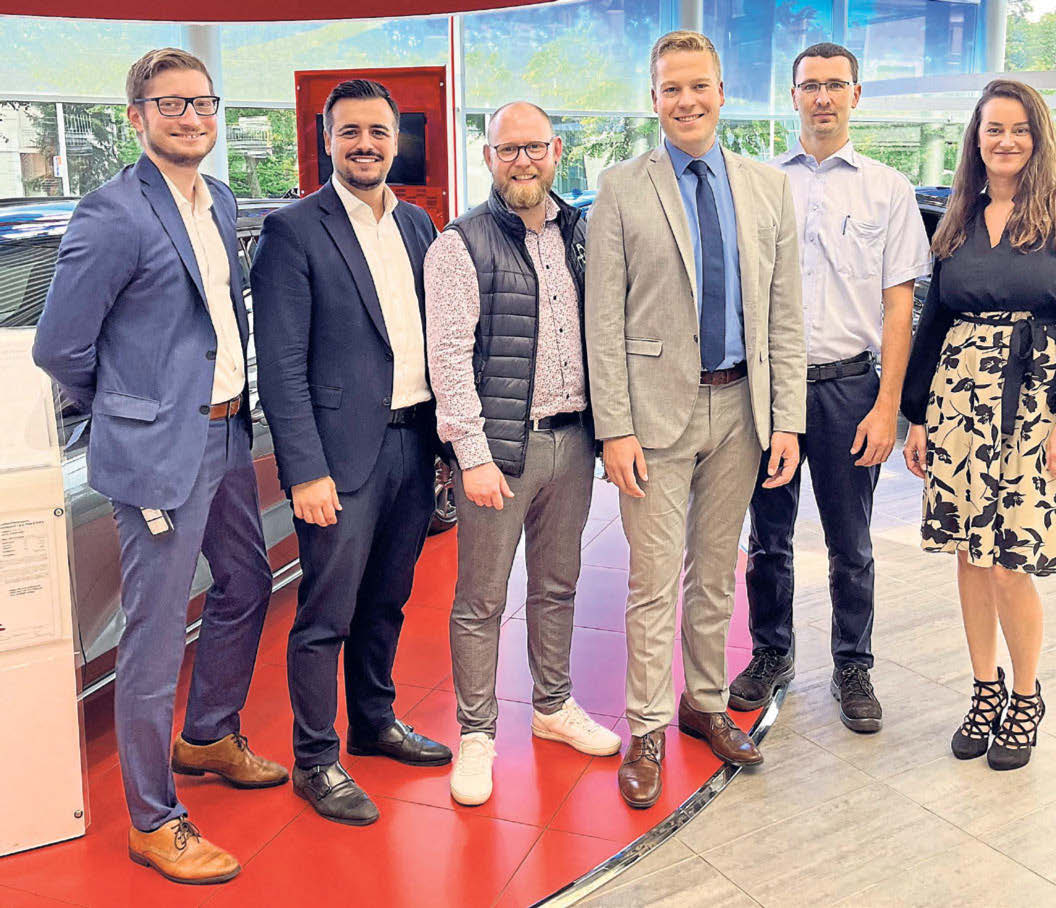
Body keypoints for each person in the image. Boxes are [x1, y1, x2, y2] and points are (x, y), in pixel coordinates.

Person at [32, 48, 286, 885]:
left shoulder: (218, 197)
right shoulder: (111, 213)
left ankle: (208, 735)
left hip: (223, 436)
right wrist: (134, 408)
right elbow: (60, 347)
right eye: (169, 105)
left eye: (202, 104)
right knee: (150, 639)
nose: (190, 118)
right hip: (157, 451)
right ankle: (154, 820)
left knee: (247, 584)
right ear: (135, 117)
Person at [586, 30, 806, 808]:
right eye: (670, 88)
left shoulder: (765, 187)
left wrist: (787, 421)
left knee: (714, 576)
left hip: (742, 411)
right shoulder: (619, 188)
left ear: (722, 94)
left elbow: (783, 312)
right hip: (651, 420)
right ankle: (645, 725)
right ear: (653, 99)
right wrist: (612, 428)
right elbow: (600, 320)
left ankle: (702, 704)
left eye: (698, 87)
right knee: (651, 582)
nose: (685, 101)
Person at [900, 79, 1056, 770]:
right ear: (975, 138)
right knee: (969, 553)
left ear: (1037, 136)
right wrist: (915, 415)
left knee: (1008, 562)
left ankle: (1025, 695)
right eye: (993, 128)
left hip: (1033, 401)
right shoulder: (959, 218)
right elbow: (933, 321)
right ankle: (983, 688)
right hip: (956, 400)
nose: (1005, 140)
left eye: (1019, 128)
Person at [250, 79, 450, 825]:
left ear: (396, 141)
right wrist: (304, 470)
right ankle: (314, 758)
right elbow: (280, 365)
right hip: (336, 461)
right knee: (325, 614)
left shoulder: (418, 228)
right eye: (349, 132)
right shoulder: (293, 230)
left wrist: (445, 447)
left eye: (377, 131)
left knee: (387, 602)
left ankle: (374, 723)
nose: (364, 144)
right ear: (326, 141)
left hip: (410, 444)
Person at [729, 43, 931, 733]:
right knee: (767, 539)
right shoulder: (756, 182)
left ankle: (852, 664)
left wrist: (888, 409)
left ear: (855, 95)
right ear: (791, 97)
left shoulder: (886, 188)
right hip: (769, 391)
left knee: (851, 544)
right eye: (808, 85)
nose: (821, 97)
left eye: (834, 85)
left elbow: (899, 310)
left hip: (850, 388)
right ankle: (771, 654)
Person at [424, 101, 620, 807]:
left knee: (557, 585)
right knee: (479, 600)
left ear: (556, 151)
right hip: (500, 453)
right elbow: (446, 359)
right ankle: (477, 734)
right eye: (507, 150)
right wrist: (470, 454)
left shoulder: (582, 234)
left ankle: (552, 705)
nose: (522, 162)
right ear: (488, 158)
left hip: (573, 442)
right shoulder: (460, 245)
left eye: (533, 148)